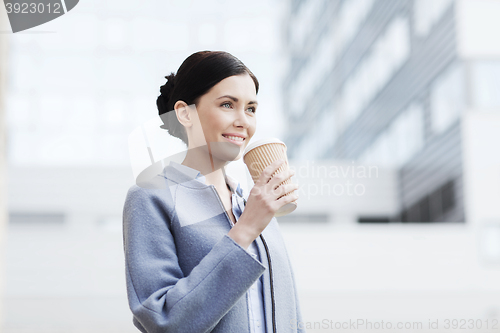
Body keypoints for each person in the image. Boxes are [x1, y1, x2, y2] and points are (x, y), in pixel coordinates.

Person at [122, 50, 304, 333]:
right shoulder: (151, 197)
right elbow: (163, 320)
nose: (243, 120)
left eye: (251, 108)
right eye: (228, 105)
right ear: (184, 113)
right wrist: (244, 230)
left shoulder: (254, 203)